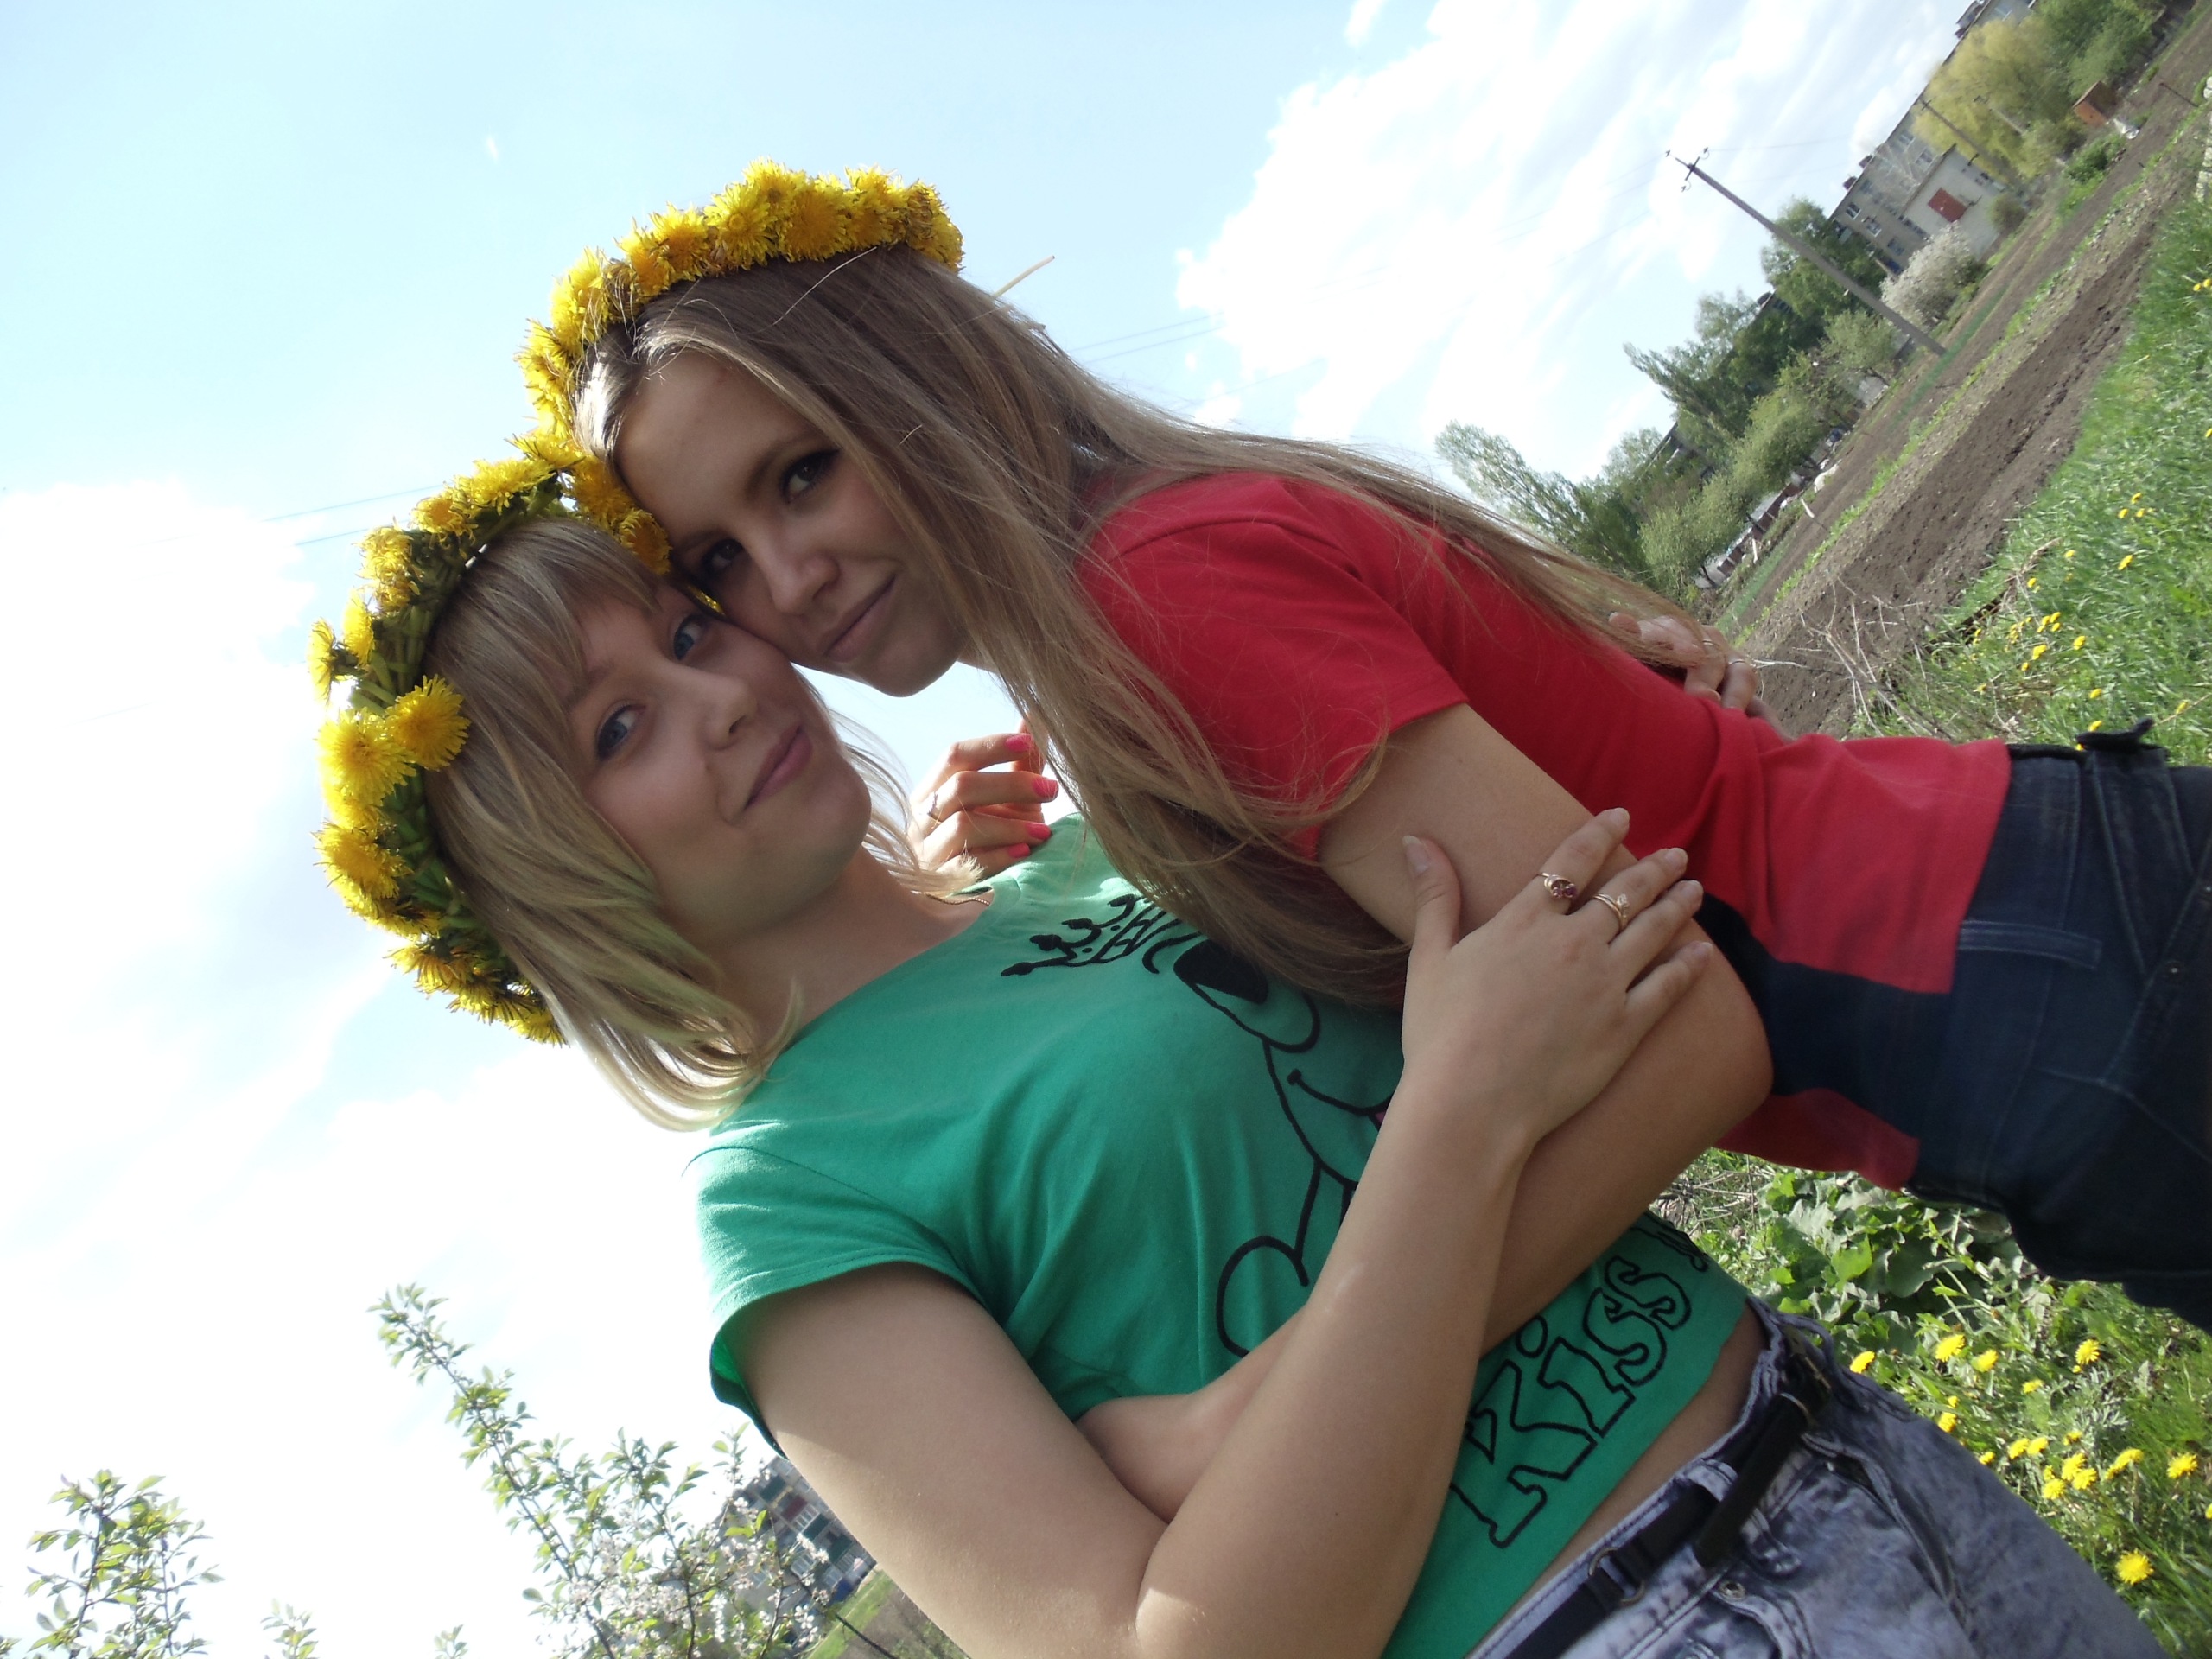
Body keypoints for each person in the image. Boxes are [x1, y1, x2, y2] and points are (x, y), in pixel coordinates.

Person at [308, 494, 2163, 1659]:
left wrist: (1228, 1428)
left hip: (1827, 1437)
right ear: (553, 880)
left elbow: (1635, 1004)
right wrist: (1454, 1119)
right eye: (621, 728)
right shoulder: (780, 1197)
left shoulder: (1104, 850)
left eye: (688, 629)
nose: (719, 694)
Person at [528, 163, 2211, 1326]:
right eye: (715, 564)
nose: (787, 582)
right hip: (2020, 948)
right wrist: (975, 904)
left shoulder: (1153, 606)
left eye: (802, 472)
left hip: (2023, 989)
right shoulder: (1128, 606)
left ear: (918, 385)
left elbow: (1656, 1010)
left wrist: (1304, 1401)